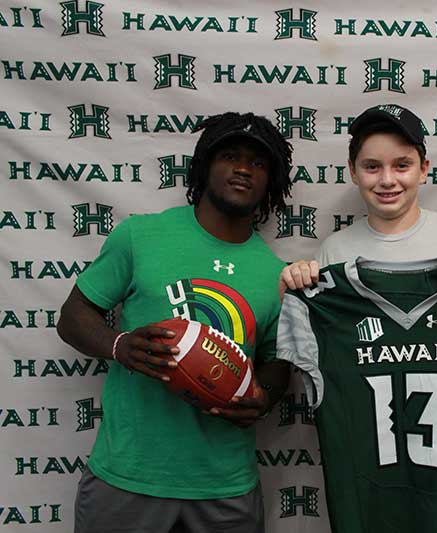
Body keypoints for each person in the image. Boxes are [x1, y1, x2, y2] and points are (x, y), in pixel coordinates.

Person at [279, 103, 437, 532]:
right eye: (372, 166)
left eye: (402, 165)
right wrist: (294, 290)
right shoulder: (334, 252)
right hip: (363, 473)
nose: (387, 179)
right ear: (353, 172)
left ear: (424, 168)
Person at [57, 112, 294, 533]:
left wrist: (266, 395)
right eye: (230, 155)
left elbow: (278, 360)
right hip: (127, 479)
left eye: (259, 163)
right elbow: (73, 316)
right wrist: (120, 345)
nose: (243, 168)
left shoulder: (275, 273)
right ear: (205, 164)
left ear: (271, 182)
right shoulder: (140, 237)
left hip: (225, 486)